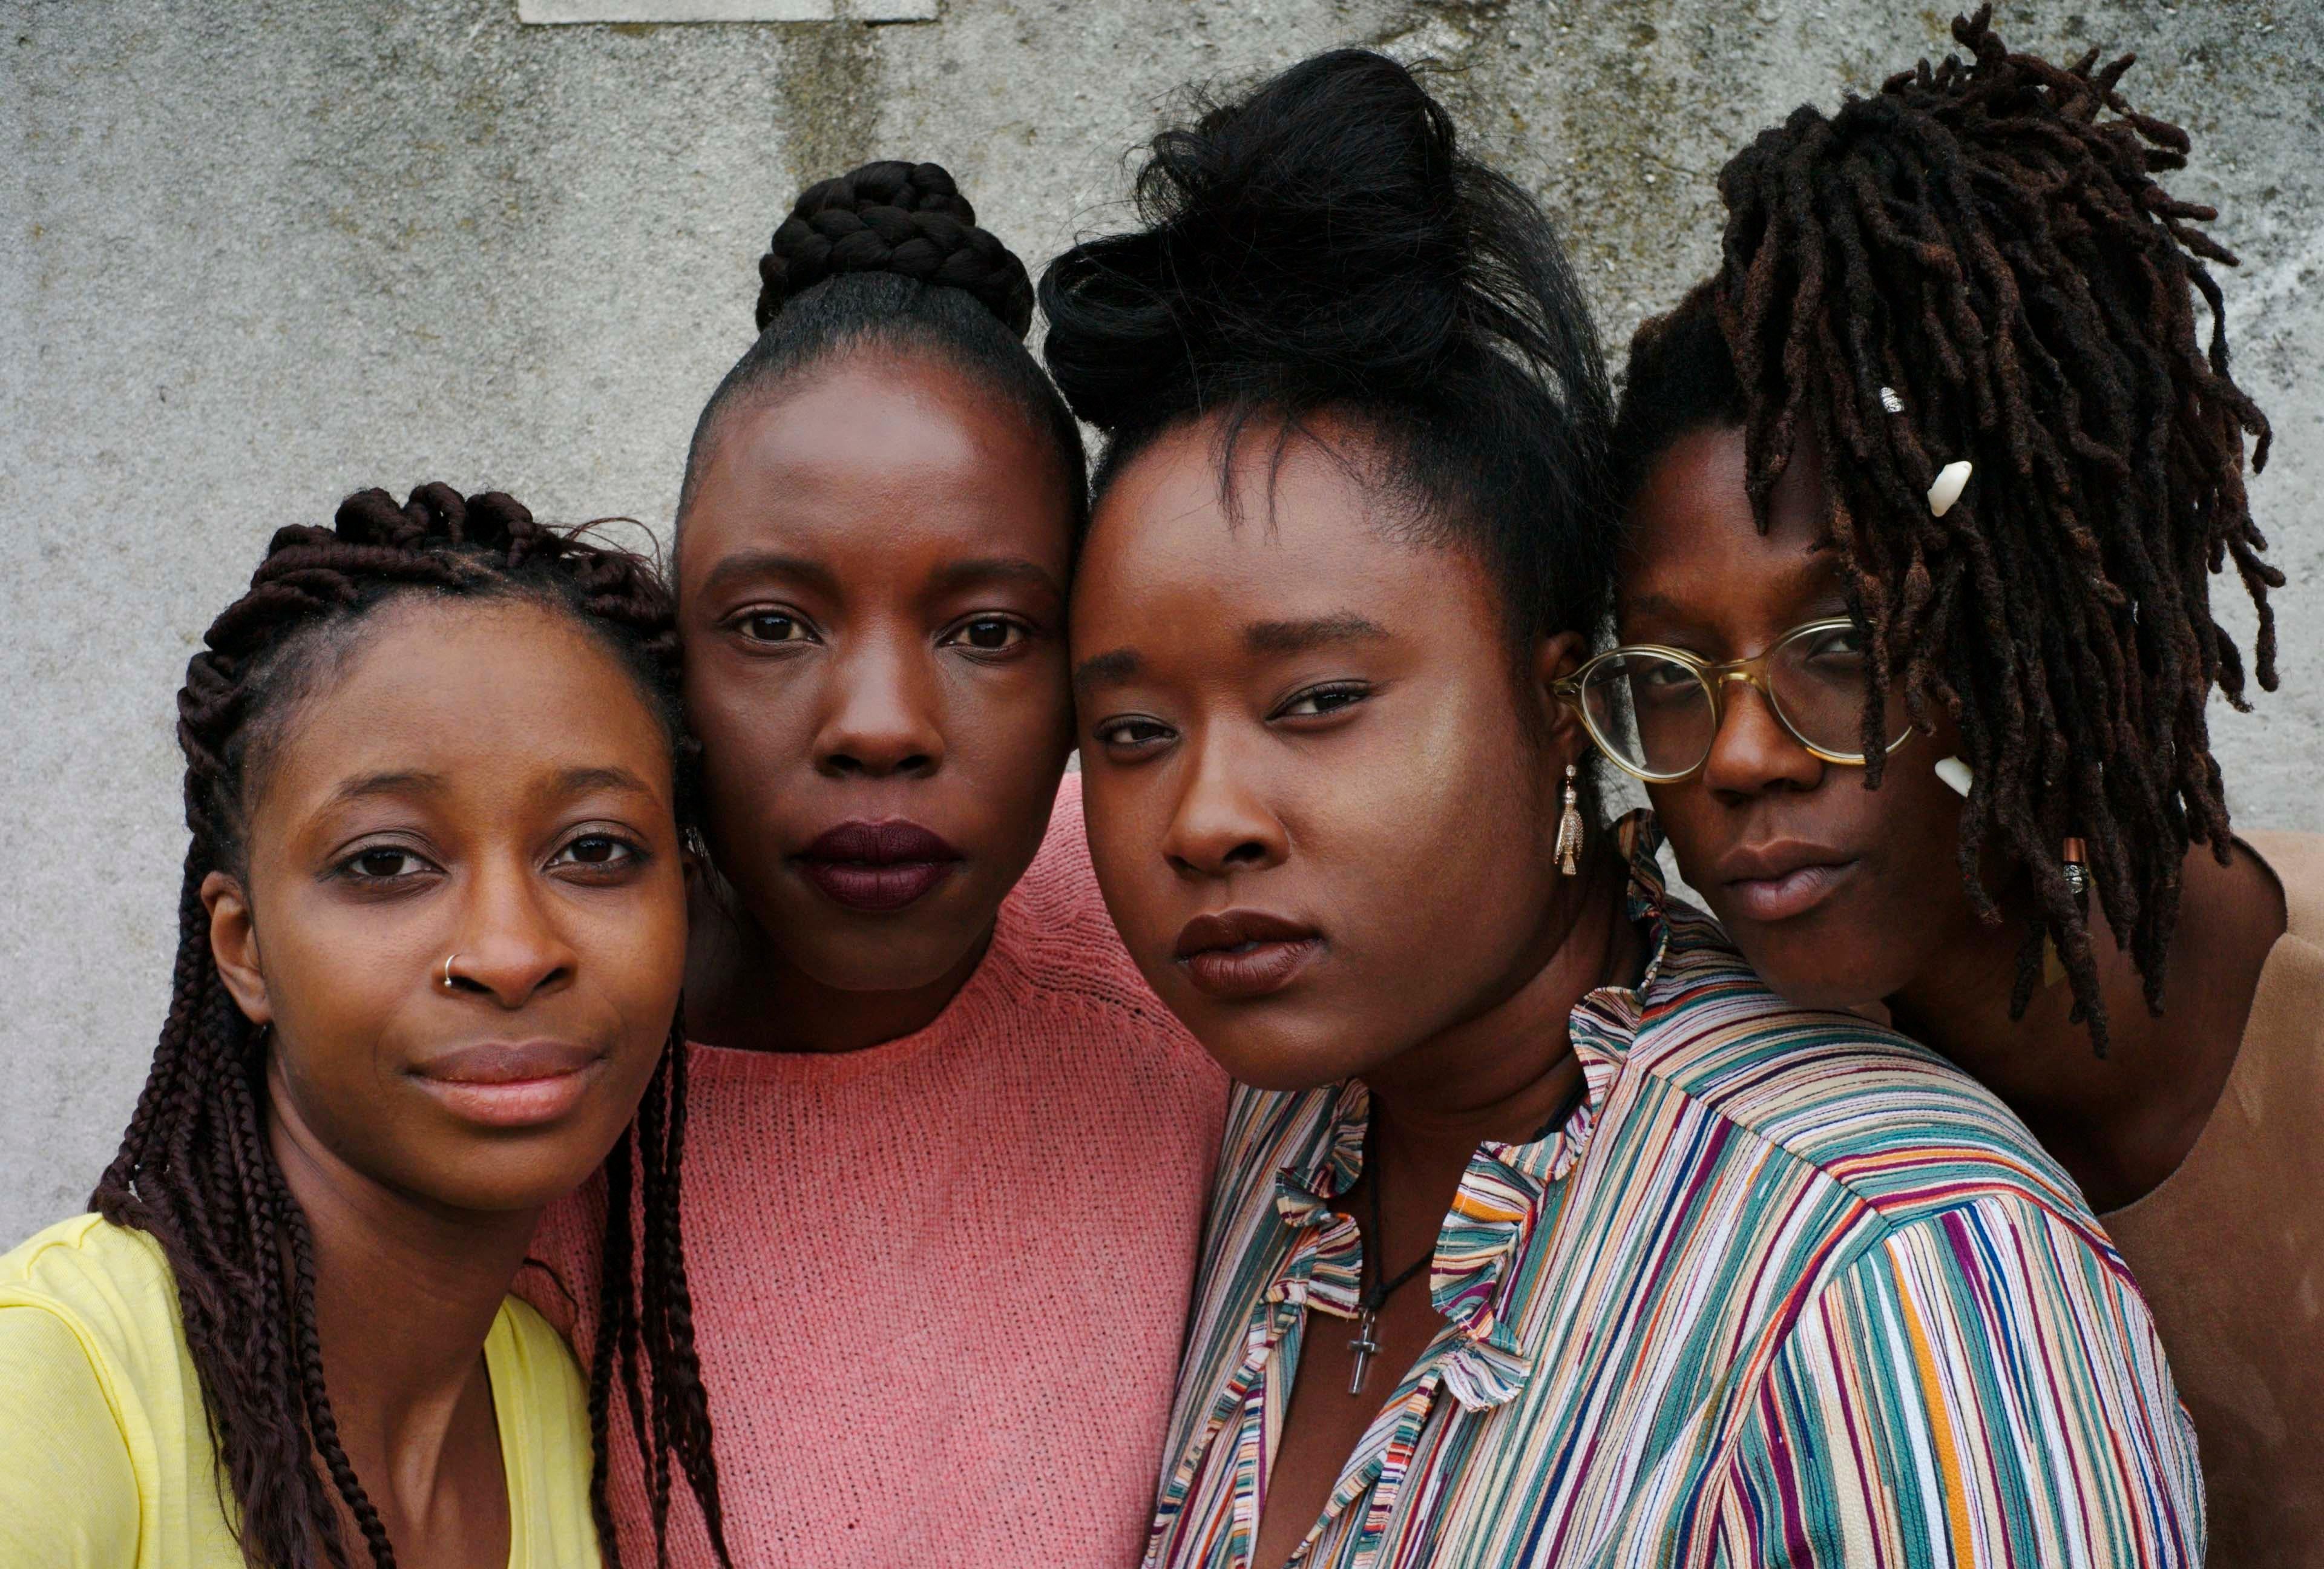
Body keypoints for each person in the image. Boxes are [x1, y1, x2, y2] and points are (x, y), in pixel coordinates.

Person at [1043, 47, 2202, 1568]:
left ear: (1556, 701)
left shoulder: (1889, 1269)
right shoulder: (1279, 1135)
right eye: (1129, 730)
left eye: (1318, 702)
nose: (1204, 820)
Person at [1606, 10, 2314, 1558]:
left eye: (1845, 644)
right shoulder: (1757, 1121)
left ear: (2043, 616)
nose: (1735, 757)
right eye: (1668, 677)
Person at [522, 160, 1226, 1567]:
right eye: (776, 625)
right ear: (671, 657)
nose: (883, 728)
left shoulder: (1191, 950)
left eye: (988, 630)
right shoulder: (534, 1065)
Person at [0, 485, 724, 1568]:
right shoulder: (54, 1387)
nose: (511, 951)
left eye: (595, 850)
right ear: (242, 950)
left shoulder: (546, 1401)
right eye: (385, 862)